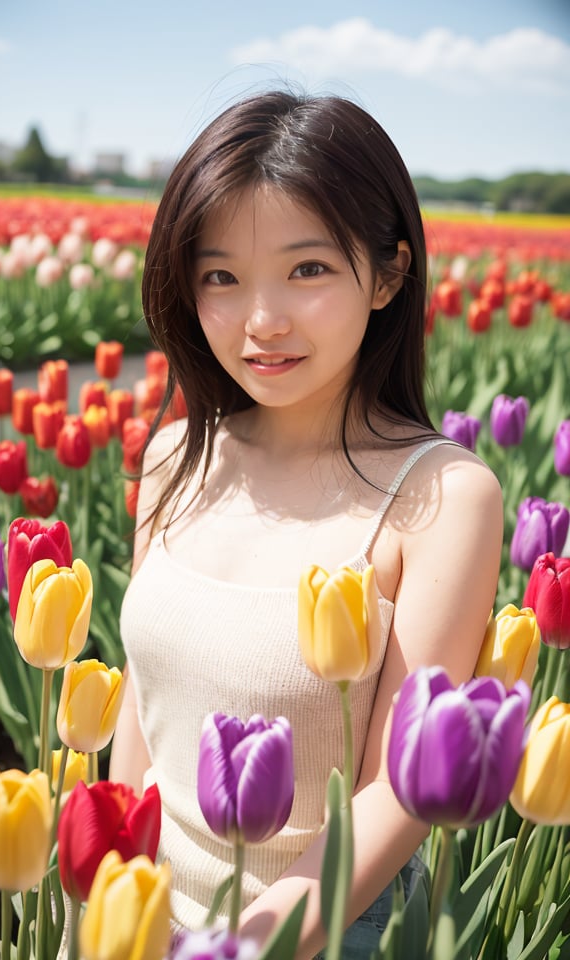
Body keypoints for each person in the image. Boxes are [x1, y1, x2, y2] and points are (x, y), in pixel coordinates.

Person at [110, 89, 503, 959]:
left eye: (308, 269)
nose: (262, 321)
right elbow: (141, 707)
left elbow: (397, 791)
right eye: (221, 276)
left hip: (315, 936)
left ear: (390, 274)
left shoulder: (441, 498)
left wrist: (245, 944)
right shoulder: (175, 456)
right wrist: (103, 905)